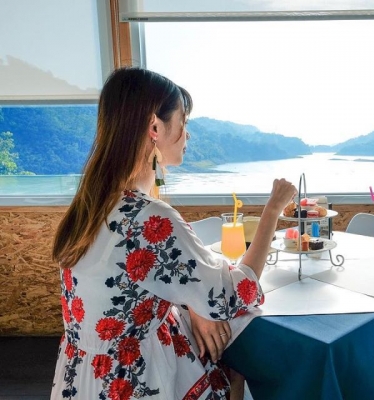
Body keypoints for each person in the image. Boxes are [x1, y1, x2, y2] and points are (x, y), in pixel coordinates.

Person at [50, 67, 297, 400]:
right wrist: (273, 210)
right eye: (183, 121)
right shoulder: (150, 218)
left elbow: (148, 281)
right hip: (137, 379)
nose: (187, 134)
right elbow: (234, 294)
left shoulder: (91, 204)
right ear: (155, 127)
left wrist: (194, 303)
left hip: (84, 379)